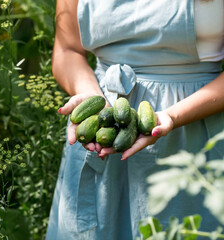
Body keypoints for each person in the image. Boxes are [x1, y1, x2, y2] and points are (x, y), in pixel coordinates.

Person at [46, 0, 224, 239]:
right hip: (102, 132)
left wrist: (173, 114)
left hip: (196, 135)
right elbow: (67, 50)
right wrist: (91, 97)